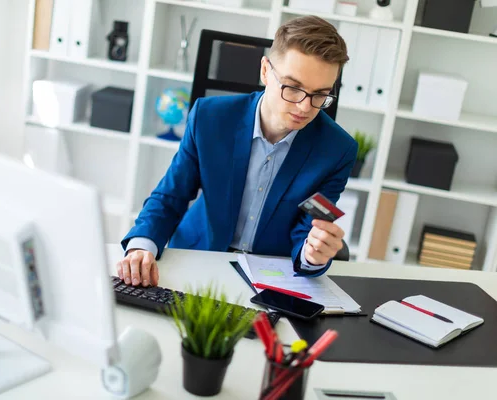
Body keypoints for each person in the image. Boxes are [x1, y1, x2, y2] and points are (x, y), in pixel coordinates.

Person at [117, 16, 357, 287]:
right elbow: (171, 195)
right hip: (197, 258)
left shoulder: (337, 150)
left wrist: (313, 255)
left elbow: (307, 230)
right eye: (293, 87)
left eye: (319, 95)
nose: (304, 107)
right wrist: (141, 246)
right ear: (265, 71)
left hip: (270, 276)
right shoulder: (209, 118)